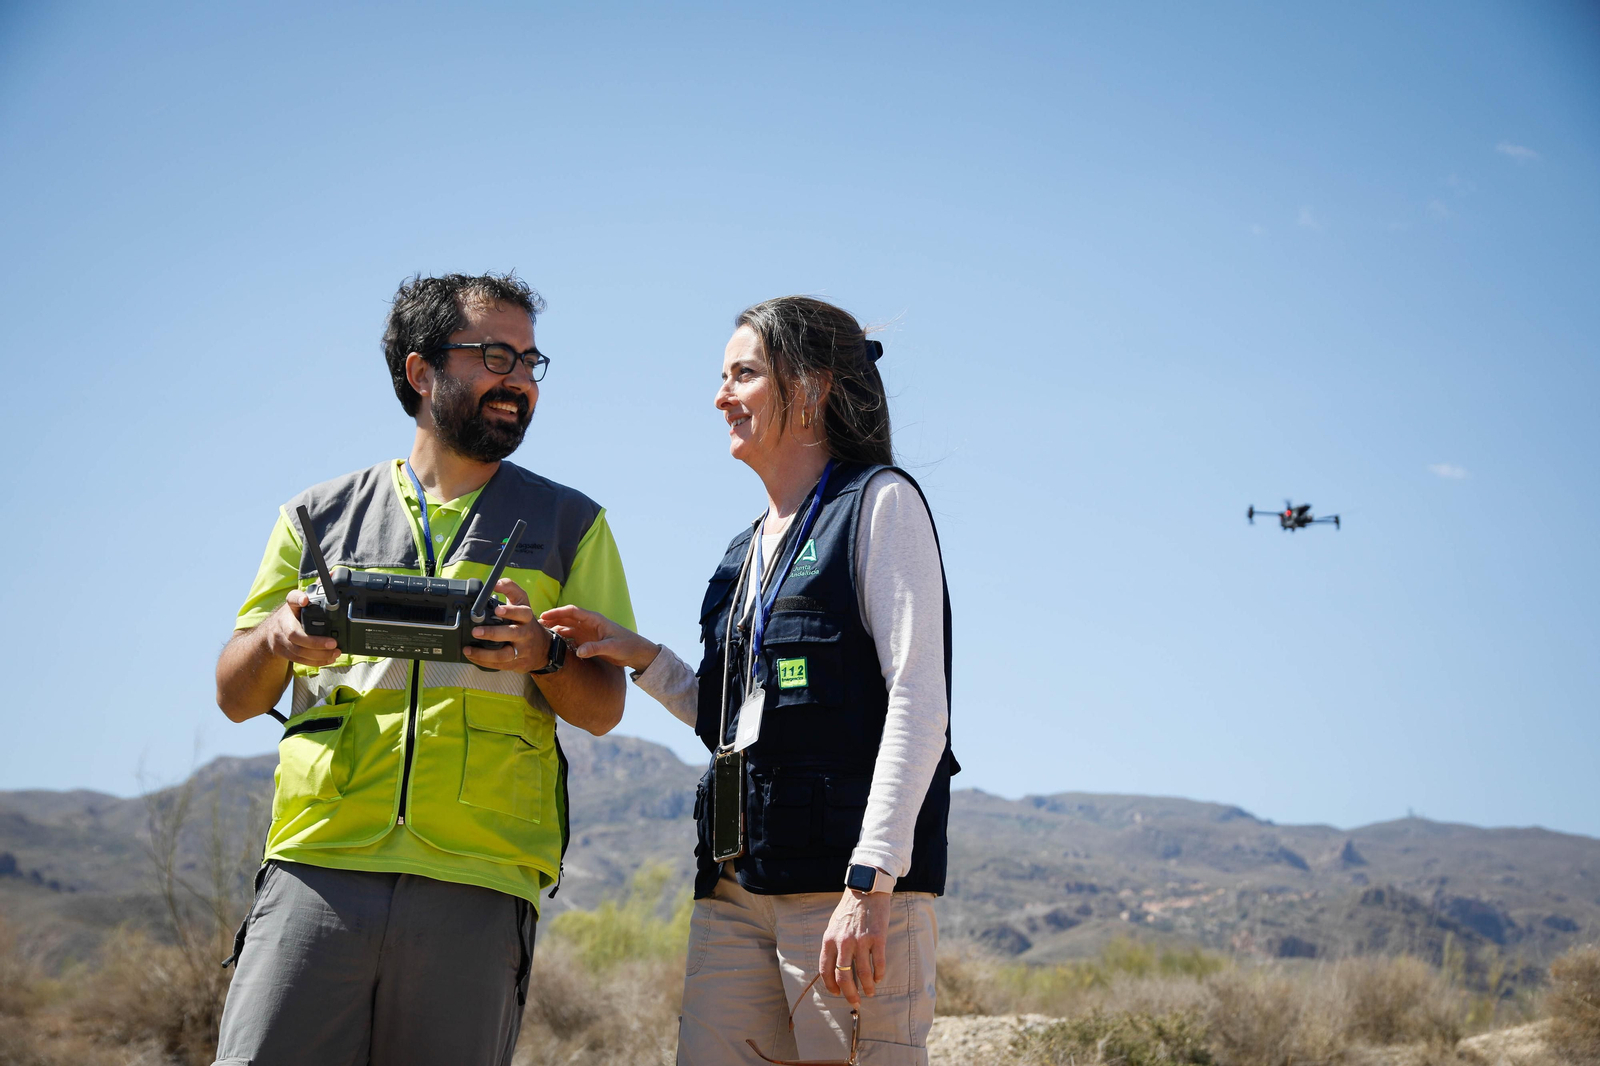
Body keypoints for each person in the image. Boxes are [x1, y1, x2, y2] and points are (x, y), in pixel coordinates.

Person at [211, 272, 634, 1066]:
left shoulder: (573, 524)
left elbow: (605, 706)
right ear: (421, 371)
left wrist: (543, 656)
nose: (519, 380)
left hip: (481, 881)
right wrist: (275, 640)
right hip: (317, 866)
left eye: (531, 362)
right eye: (496, 356)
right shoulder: (314, 517)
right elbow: (235, 695)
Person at [544, 296, 955, 1066]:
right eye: (723, 376)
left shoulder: (880, 505)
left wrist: (870, 885)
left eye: (744, 374)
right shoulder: (743, 550)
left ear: (813, 387)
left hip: (845, 890)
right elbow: (735, 719)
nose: (720, 397)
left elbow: (917, 702)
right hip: (733, 892)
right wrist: (641, 657)